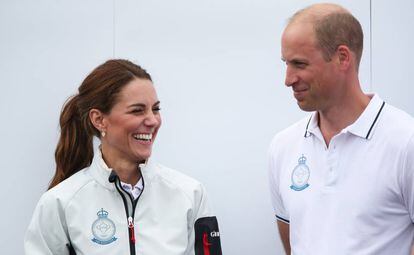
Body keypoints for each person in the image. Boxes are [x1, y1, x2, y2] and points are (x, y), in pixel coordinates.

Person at [24, 59, 222, 255]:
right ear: (99, 120)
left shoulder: (191, 194)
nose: (153, 120)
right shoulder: (60, 202)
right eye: (137, 110)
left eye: (156, 109)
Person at [268, 3, 414, 254]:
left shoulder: (405, 141)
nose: (288, 79)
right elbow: (293, 242)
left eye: (299, 64)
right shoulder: (283, 146)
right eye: (286, 63)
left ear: (343, 57)